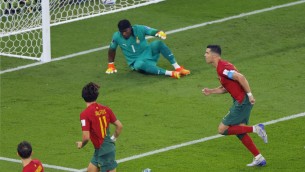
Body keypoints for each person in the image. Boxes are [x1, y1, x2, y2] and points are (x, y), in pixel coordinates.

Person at [202, 45, 268, 167]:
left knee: (222, 129)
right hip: (241, 101)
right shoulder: (222, 67)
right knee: (238, 130)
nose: (205, 55)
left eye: (207, 53)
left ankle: (256, 128)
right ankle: (259, 158)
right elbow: (226, 88)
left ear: (214, 55)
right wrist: (211, 91)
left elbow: (240, 77)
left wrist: (250, 95)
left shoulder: (222, 68)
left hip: (242, 101)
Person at [105, 19, 190, 79]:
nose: (123, 33)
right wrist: (111, 65)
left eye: (125, 31)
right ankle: (170, 73)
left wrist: (158, 32)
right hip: (135, 61)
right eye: (121, 31)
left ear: (130, 28)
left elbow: (151, 31)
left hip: (147, 53)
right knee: (139, 65)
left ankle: (177, 67)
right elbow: (112, 49)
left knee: (158, 43)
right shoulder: (116, 36)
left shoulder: (139, 28)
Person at [76, 82, 123, 172]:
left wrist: (81, 144)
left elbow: (86, 137)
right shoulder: (106, 109)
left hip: (104, 151)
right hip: (102, 150)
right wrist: (113, 139)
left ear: (83, 97)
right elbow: (119, 126)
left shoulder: (84, 114)